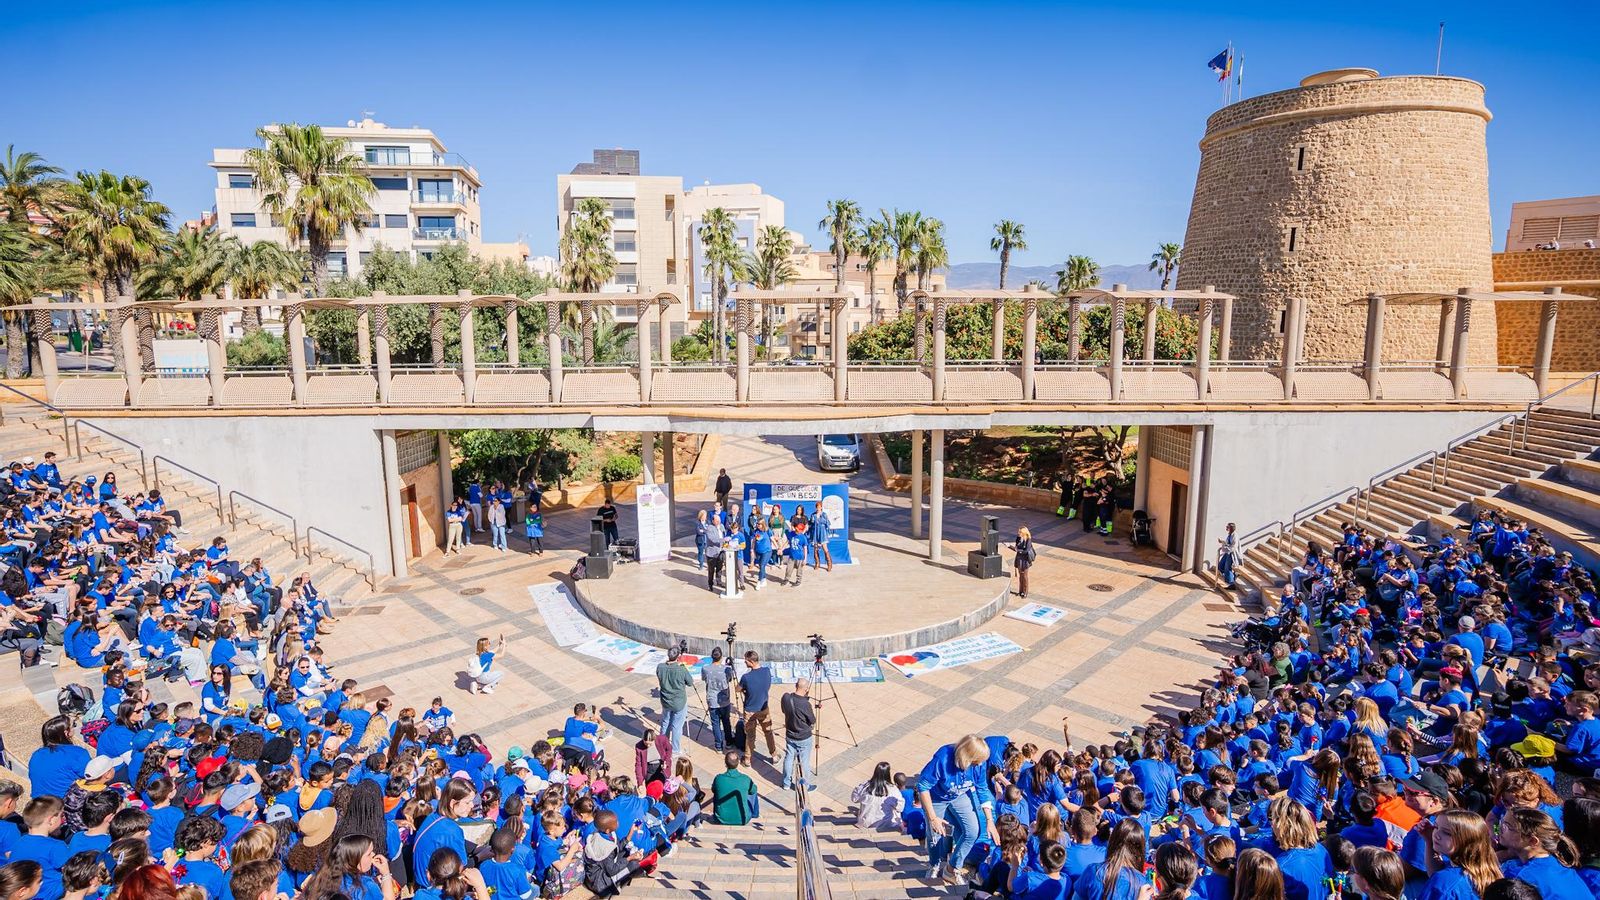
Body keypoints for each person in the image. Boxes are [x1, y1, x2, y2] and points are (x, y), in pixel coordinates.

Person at [916, 734, 997, 885]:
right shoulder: (943, 759)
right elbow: (923, 786)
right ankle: (934, 864)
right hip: (936, 798)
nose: (980, 765)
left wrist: (989, 821)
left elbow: (982, 788)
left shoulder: (980, 764)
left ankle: (952, 868)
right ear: (967, 757)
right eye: (976, 762)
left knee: (972, 831)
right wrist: (933, 818)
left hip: (959, 795)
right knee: (934, 836)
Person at [738, 651, 778, 764]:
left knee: (750, 735)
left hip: (750, 710)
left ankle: (747, 759)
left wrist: (744, 689)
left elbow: (737, 689)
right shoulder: (767, 671)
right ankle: (774, 755)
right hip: (764, 708)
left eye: (746, 661)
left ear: (751, 662)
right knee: (768, 732)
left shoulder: (746, 677)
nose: (745, 662)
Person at [779, 678, 818, 791]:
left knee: (789, 757)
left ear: (796, 685)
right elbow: (812, 720)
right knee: (804, 761)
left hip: (790, 734)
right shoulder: (805, 704)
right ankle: (804, 786)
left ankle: (786, 783)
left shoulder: (786, 697)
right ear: (806, 689)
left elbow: (784, 710)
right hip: (803, 737)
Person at [655, 645, 694, 754]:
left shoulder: (660, 667)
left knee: (665, 723)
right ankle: (675, 749)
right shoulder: (681, 670)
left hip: (666, 701)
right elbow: (690, 682)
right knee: (676, 726)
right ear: (678, 656)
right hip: (679, 702)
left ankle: (663, 746)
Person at [851, 762, 905, 831]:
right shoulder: (893, 789)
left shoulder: (865, 786)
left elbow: (854, 798)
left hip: (865, 823)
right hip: (886, 824)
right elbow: (900, 808)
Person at [711, 751, 757, 825]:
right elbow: (753, 791)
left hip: (721, 819)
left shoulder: (718, 778)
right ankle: (755, 815)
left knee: (717, 792)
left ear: (725, 763)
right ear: (738, 762)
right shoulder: (746, 779)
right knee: (752, 790)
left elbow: (713, 790)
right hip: (743, 819)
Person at [703, 646, 734, 753]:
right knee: (726, 721)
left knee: (715, 724)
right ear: (721, 657)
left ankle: (718, 746)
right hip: (724, 701)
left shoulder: (705, 668)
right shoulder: (727, 669)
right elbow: (730, 679)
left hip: (712, 701)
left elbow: (704, 679)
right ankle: (729, 743)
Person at [1012, 526, 1036, 599]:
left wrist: (1018, 550)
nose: (1018, 533)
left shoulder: (1028, 540)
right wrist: (1012, 547)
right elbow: (1016, 547)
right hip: (1019, 559)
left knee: (1025, 576)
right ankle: (1020, 591)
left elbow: (1026, 550)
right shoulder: (1018, 538)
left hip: (1025, 560)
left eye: (1020, 532)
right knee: (1020, 576)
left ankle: (1025, 592)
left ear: (1024, 533)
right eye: (1018, 532)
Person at [704, 514, 726, 593]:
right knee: (711, 570)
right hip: (712, 553)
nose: (718, 522)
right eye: (717, 521)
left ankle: (719, 582)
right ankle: (710, 584)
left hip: (721, 551)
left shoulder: (722, 526)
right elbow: (713, 539)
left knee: (719, 568)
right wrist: (723, 540)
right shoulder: (709, 528)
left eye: (719, 520)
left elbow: (724, 534)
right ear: (713, 521)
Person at [809, 503, 833, 571]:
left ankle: (829, 564)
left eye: (819, 507)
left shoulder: (824, 514)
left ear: (821, 507)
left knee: (825, 549)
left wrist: (820, 519)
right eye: (817, 507)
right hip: (815, 533)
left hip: (822, 533)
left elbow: (827, 523)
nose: (818, 508)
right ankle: (817, 563)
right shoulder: (813, 514)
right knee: (815, 549)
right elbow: (811, 523)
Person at [1217, 522, 1238, 588]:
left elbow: (1233, 546)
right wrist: (1222, 542)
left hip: (1231, 554)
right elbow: (1228, 543)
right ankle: (1232, 576)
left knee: (1227, 568)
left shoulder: (1235, 536)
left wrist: (1225, 546)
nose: (1226, 528)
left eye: (1227, 527)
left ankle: (1231, 583)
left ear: (1230, 528)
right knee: (1220, 566)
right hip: (1227, 553)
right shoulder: (1230, 535)